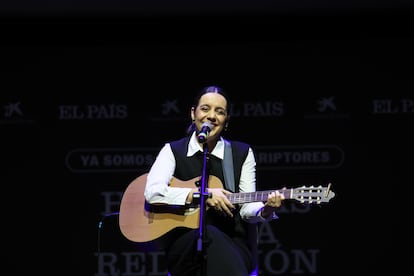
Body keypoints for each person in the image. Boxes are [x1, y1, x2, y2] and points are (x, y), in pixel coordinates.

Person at [144, 85, 285, 276]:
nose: (211, 116)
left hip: (232, 243)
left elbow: (247, 208)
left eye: (219, 112)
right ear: (193, 113)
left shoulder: (241, 153)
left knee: (214, 236)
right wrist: (204, 195)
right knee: (206, 234)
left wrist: (266, 209)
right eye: (205, 109)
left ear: (226, 121)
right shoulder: (172, 151)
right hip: (186, 247)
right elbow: (153, 193)